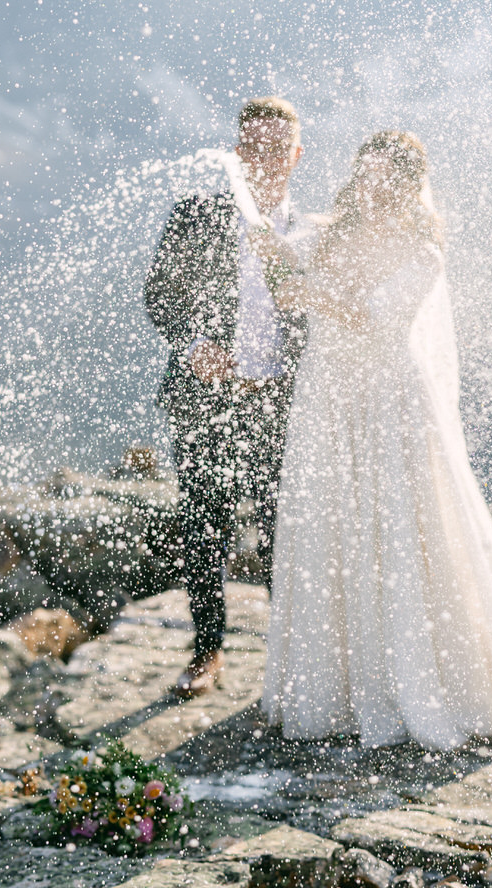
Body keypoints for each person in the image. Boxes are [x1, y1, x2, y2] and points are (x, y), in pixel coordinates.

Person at [253, 131, 492, 750]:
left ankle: (414, 681)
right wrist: (275, 258)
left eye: (387, 182)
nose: (373, 192)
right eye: (366, 179)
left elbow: (377, 319)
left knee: (401, 534)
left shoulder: (422, 253)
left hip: (389, 406)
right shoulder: (327, 232)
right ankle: (341, 685)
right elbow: (282, 280)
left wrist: (309, 291)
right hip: (327, 398)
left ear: (409, 188)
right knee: (335, 530)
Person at [143, 96, 314, 698]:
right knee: (203, 526)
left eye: (276, 148)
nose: (263, 159)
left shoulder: (312, 233)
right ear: (237, 155)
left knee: (280, 529)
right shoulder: (196, 213)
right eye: (252, 148)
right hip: (204, 396)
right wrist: (194, 343)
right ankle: (207, 653)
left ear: (295, 156)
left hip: (281, 402)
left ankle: (291, 660)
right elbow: (159, 294)